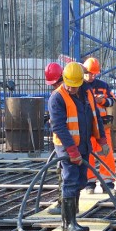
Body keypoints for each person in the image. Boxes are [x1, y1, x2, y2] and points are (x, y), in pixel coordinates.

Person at [48, 62, 109, 231]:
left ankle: (73, 219)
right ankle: (68, 223)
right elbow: (59, 127)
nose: (72, 89)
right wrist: (72, 151)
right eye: (69, 85)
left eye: (75, 86)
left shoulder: (86, 92)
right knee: (70, 180)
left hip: (84, 144)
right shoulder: (57, 98)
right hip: (66, 147)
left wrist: (102, 139)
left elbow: (95, 117)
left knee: (82, 180)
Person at [82, 57, 116, 194]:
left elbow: (112, 101)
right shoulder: (79, 86)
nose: (91, 76)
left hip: (102, 126)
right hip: (87, 127)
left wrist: (102, 101)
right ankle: (89, 182)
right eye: (89, 73)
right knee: (88, 154)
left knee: (106, 153)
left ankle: (107, 182)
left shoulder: (103, 86)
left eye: (94, 74)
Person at [44, 61, 64, 215]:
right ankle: (68, 205)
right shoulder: (71, 91)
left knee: (64, 174)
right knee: (69, 174)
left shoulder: (58, 95)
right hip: (69, 140)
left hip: (62, 141)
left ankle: (64, 205)